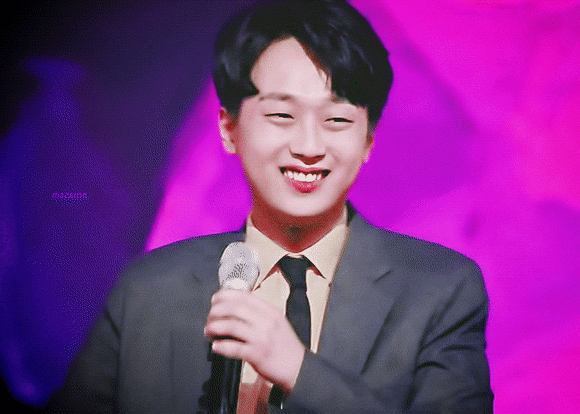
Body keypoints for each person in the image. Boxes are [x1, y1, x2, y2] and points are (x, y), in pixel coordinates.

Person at [48, 0, 493, 412]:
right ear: (228, 128)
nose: (308, 146)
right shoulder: (148, 289)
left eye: (337, 119)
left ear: (368, 141)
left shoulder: (441, 291)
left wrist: (299, 371)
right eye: (282, 115)